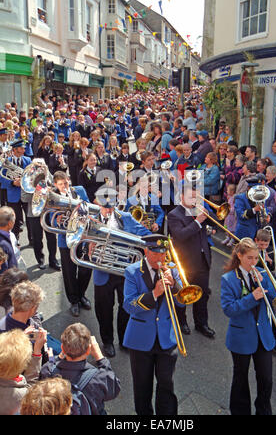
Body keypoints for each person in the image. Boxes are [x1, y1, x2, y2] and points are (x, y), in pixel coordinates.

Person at [123, 234, 184, 415]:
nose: (160, 258)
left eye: (163, 253)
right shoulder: (132, 271)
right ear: (146, 251)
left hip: (166, 338)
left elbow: (183, 302)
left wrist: (174, 286)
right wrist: (154, 294)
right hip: (141, 339)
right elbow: (128, 305)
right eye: (156, 254)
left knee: (167, 384)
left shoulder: (172, 269)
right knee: (142, 387)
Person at [92, 187, 151, 358]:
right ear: (98, 203)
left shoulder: (126, 218)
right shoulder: (91, 220)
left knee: (126, 306)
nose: (109, 210)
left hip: (123, 270)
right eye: (105, 207)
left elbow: (144, 234)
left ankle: (124, 338)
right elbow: (79, 244)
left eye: (112, 206)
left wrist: (156, 241)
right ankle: (107, 341)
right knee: (104, 308)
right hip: (102, 272)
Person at [221, 238, 276, 415]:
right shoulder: (228, 279)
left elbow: (275, 299)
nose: (254, 262)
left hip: (263, 335)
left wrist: (265, 281)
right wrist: (252, 297)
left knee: (266, 379)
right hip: (241, 336)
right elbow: (229, 309)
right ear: (239, 256)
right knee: (240, 378)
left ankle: (263, 411)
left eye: (256, 258)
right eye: (250, 258)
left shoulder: (262, 272)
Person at [168, 183, 216, 338]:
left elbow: (217, 224)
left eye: (196, 196)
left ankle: (202, 323)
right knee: (182, 294)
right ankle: (182, 322)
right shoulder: (174, 214)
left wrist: (208, 213)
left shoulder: (198, 210)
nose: (194, 200)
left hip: (202, 260)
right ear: (182, 196)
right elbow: (180, 235)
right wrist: (197, 222)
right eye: (191, 196)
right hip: (185, 262)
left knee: (202, 294)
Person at [40, 323, 121, 415]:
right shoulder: (99, 377)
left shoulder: (48, 371)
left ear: (62, 347)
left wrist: (54, 359)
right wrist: (100, 357)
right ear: (88, 350)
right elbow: (114, 390)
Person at [52, 171, 92, 317]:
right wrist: (56, 218)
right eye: (61, 184)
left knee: (86, 269)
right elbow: (51, 217)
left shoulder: (79, 190)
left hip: (83, 237)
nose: (64, 186)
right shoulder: (54, 197)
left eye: (66, 183)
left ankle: (81, 295)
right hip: (65, 240)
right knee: (69, 272)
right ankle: (74, 301)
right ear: (56, 185)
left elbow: (89, 206)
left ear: (69, 180)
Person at [0, 328, 46, 415]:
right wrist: (36, 353)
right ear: (21, 367)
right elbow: (30, 387)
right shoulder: (21, 396)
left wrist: (19, 340)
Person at [1, 139, 33, 244]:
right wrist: (12, 183)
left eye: (24, 148)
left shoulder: (28, 160)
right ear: (14, 149)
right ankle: (15, 240)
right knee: (14, 220)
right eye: (21, 148)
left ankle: (32, 239)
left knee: (30, 219)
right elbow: (1, 178)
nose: (24, 150)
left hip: (27, 194)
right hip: (13, 195)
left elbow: (33, 176)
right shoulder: (7, 161)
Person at [0, 206, 18, 273]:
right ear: (10, 223)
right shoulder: (3, 244)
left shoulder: (9, 235)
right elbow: (3, 270)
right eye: (14, 220)